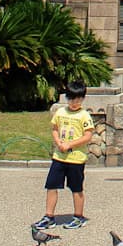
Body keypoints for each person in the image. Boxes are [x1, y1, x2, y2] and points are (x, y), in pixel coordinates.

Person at [33, 82, 94, 230]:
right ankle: (49, 216)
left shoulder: (84, 115)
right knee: (52, 186)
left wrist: (71, 145)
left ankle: (78, 216)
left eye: (79, 99)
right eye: (72, 99)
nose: (75, 103)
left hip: (76, 158)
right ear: (67, 98)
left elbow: (88, 136)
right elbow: (54, 128)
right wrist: (58, 142)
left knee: (76, 188)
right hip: (59, 156)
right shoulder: (60, 112)